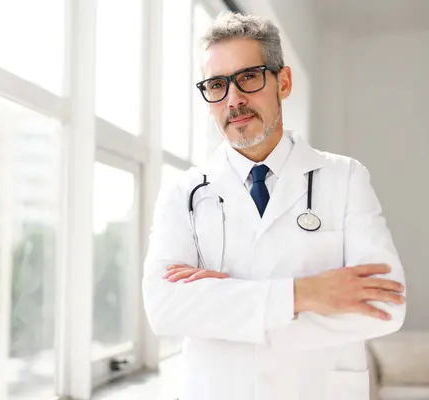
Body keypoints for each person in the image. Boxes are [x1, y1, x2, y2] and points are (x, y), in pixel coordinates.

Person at [142, 11, 406, 400]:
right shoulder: (184, 192)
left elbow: (387, 303)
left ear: (283, 81)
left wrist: (227, 309)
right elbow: (164, 308)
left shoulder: (345, 178)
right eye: (217, 85)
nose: (233, 99)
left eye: (248, 77)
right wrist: (305, 294)